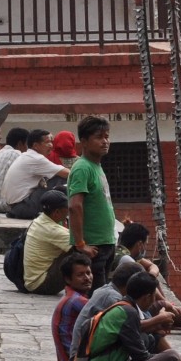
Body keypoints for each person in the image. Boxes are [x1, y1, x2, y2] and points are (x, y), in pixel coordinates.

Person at [64, 117, 116, 277]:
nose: (105, 141)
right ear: (84, 141)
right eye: (99, 137)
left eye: (106, 136)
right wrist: (81, 245)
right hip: (92, 247)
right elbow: (74, 206)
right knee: (95, 298)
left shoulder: (96, 166)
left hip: (105, 243)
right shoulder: (82, 167)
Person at [3, 129, 68, 216]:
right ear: (36, 146)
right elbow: (67, 173)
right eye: (47, 142)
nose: (51, 145)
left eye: (51, 142)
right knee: (60, 178)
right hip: (24, 207)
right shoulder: (36, 159)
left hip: (15, 208)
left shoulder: (26, 155)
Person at [19, 190, 73, 293]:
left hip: (31, 282)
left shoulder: (38, 221)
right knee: (79, 250)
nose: (68, 212)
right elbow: (79, 243)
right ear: (57, 212)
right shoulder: (52, 230)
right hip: (42, 284)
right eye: (66, 209)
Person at [50, 255, 93, 361]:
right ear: (68, 279)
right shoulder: (76, 300)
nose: (87, 278)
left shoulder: (71, 296)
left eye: (89, 273)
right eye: (80, 275)